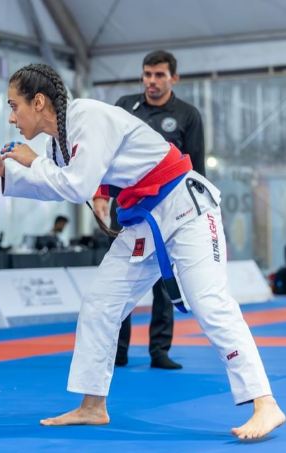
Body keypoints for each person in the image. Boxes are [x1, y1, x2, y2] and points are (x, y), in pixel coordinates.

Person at [0, 63, 284, 440]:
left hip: (186, 208)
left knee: (210, 301)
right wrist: (7, 173)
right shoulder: (57, 142)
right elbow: (57, 184)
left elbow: (76, 185)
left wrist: (31, 161)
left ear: (38, 102)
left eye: (13, 106)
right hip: (144, 221)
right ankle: (92, 405)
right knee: (100, 302)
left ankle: (265, 403)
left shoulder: (88, 117)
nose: (11, 117)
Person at [93, 50, 205, 370]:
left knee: (163, 280)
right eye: (147, 74)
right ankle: (117, 350)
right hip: (127, 208)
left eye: (159, 75)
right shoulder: (124, 106)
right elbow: (105, 154)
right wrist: (100, 194)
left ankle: (160, 350)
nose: (151, 81)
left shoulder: (187, 115)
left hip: (169, 210)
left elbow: (195, 167)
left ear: (174, 78)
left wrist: (197, 211)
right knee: (120, 280)